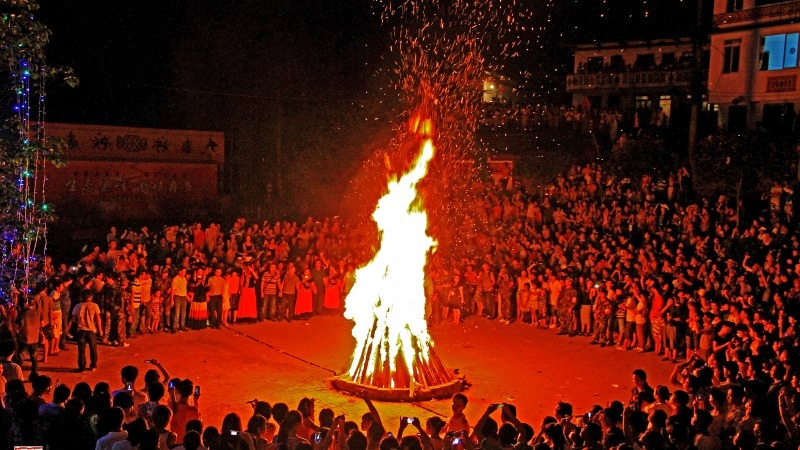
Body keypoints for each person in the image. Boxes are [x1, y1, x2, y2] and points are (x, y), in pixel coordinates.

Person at [69, 289, 103, 372]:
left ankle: (82, 367)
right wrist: (100, 330)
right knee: (93, 348)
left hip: (81, 330)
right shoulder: (95, 306)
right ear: (91, 297)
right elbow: (98, 319)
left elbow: (73, 319)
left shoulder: (77, 306)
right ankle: (93, 365)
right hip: (91, 330)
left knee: (81, 350)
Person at [171, 268, 189, 332]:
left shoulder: (184, 279)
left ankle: (182, 326)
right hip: (178, 297)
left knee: (183, 313)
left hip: (184, 297)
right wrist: (172, 300)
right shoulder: (176, 279)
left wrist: (187, 298)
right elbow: (173, 290)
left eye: (185, 272)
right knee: (177, 313)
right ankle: (175, 327)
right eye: (183, 271)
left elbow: (185, 289)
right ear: (179, 272)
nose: (185, 273)